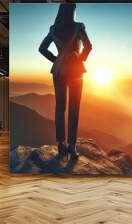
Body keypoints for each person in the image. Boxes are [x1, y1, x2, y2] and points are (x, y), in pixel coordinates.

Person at [39, 3, 92, 160]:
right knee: (74, 108)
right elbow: (88, 46)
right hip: (76, 72)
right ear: (73, 11)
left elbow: (42, 48)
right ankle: (72, 146)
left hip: (58, 71)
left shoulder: (54, 29)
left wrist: (56, 60)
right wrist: (79, 60)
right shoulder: (78, 27)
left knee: (60, 107)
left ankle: (61, 144)